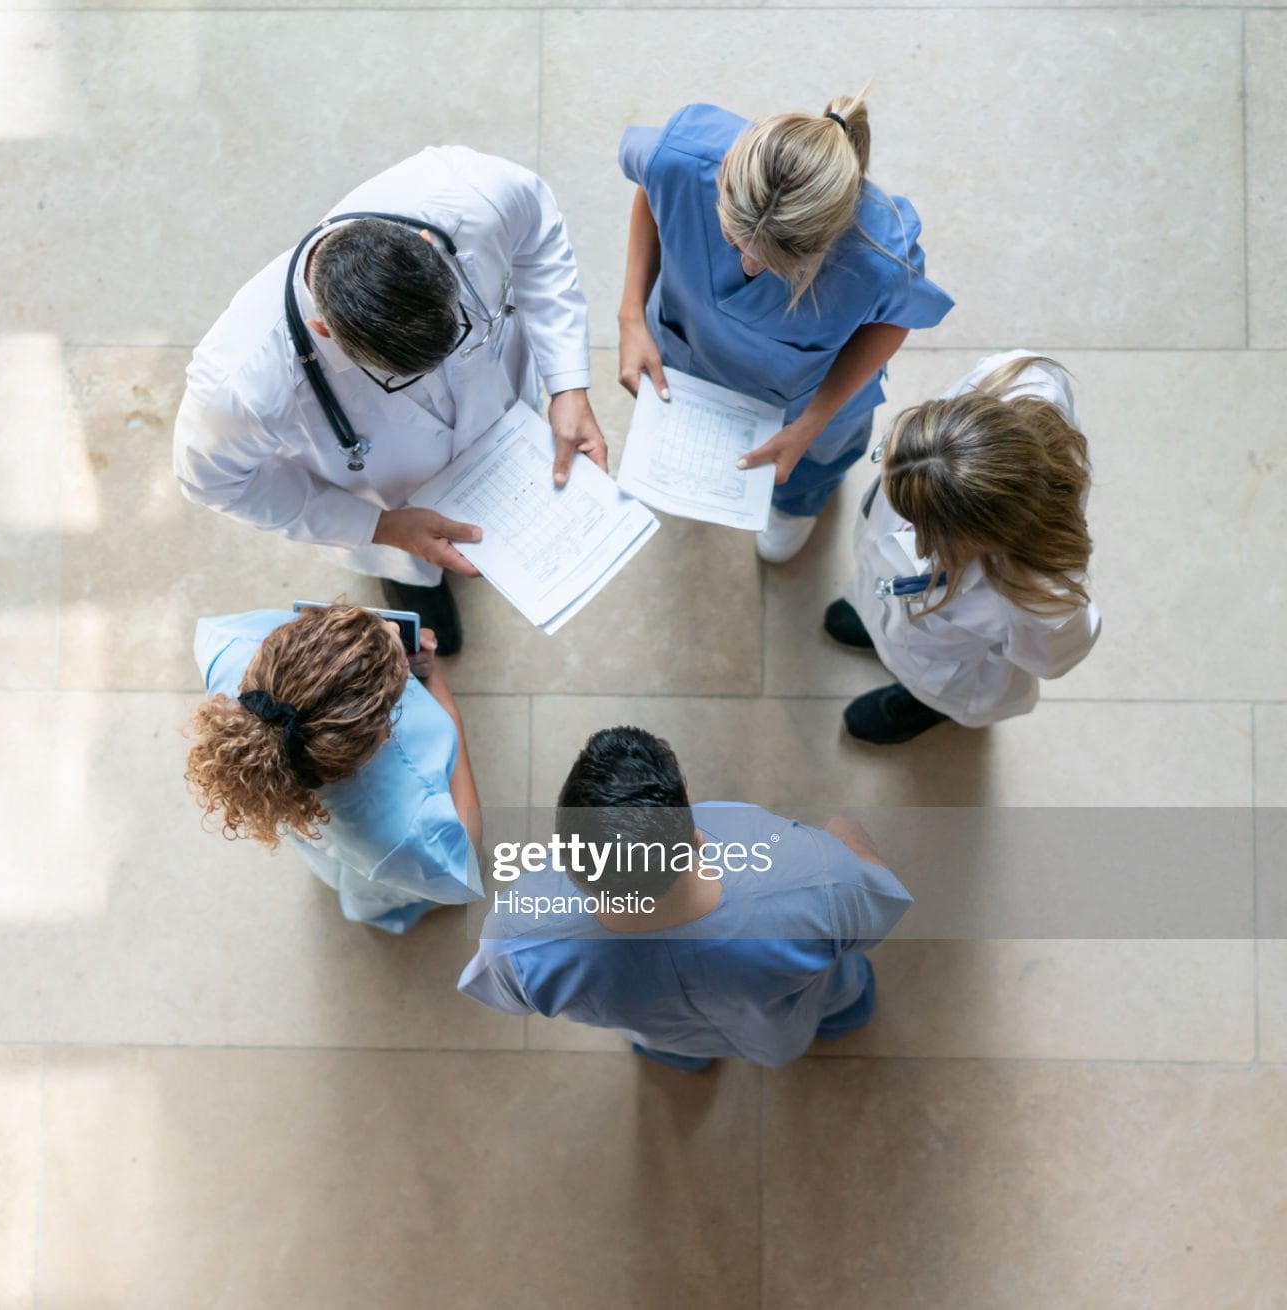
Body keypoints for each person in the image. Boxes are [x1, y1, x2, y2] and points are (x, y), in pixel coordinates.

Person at [174, 148, 606, 655]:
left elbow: (540, 235)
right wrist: (379, 526)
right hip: (390, 502)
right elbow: (212, 481)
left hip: (502, 423)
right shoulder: (240, 385)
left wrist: (568, 383)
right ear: (323, 331)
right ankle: (414, 584)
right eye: (400, 376)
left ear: (429, 248)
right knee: (415, 569)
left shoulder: (469, 193)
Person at [615, 89, 954, 564]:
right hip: (687, 343)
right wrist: (631, 316)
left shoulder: (879, 257)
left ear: (834, 239)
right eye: (733, 238)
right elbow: (653, 189)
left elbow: (895, 320)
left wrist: (811, 424)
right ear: (725, 171)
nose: (750, 266)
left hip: (810, 399)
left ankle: (796, 507)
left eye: (778, 261)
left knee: (811, 466)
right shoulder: (682, 158)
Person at [457, 726, 910, 1070]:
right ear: (695, 840)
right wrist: (849, 840)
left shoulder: (516, 937)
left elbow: (503, 995)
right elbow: (879, 910)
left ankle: (687, 1063)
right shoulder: (815, 879)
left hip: (667, 1036)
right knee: (841, 1001)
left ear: (564, 853)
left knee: (673, 1052)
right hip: (781, 1031)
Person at [825, 350, 1100, 744]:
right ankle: (877, 623)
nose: (884, 471)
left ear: (961, 536)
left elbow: (1052, 659)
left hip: (942, 667)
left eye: (913, 521)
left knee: (933, 681)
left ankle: (922, 705)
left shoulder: (1041, 600)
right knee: (881, 590)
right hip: (894, 589)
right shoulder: (1017, 380)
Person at [187, 603, 483, 933]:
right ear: (378, 738)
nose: (393, 628)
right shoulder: (406, 831)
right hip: (380, 860)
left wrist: (362, 646)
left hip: (329, 842)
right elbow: (461, 866)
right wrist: (439, 692)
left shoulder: (230, 645)